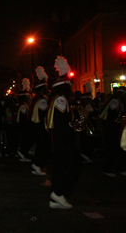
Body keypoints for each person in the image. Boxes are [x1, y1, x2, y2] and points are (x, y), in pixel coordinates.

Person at [46, 56, 87, 209]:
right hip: (62, 139)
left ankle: (56, 197)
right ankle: (60, 193)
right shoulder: (61, 99)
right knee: (74, 166)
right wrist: (77, 114)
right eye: (69, 85)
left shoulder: (57, 98)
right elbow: (61, 119)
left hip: (60, 139)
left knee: (61, 167)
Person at [27, 66, 50, 175]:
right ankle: (37, 164)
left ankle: (37, 164)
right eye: (45, 87)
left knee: (42, 146)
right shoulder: (41, 99)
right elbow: (44, 113)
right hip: (40, 126)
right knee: (43, 146)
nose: (47, 88)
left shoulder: (40, 98)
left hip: (38, 126)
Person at [16, 78, 33, 162]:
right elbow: (23, 117)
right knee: (25, 139)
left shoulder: (24, 105)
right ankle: (23, 153)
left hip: (24, 126)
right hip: (24, 126)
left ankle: (23, 154)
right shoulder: (23, 106)